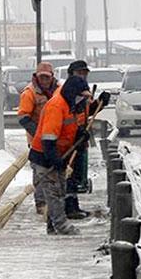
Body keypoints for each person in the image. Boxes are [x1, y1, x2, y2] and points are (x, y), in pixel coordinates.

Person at [29, 75, 93, 235]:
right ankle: (61, 225)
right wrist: (54, 159)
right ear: (73, 92)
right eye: (82, 96)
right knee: (54, 193)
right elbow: (48, 137)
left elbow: (67, 130)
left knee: (60, 191)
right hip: (45, 156)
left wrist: (80, 135)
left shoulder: (70, 105)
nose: (83, 100)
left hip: (59, 155)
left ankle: (52, 225)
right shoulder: (57, 106)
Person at [64, 60, 110, 219]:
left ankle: (73, 207)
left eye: (85, 73)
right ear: (71, 75)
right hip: (67, 141)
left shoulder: (83, 92)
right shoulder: (66, 93)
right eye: (79, 73)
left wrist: (100, 103)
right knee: (67, 176)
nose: (82, 76)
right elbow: (67, 116)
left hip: (78, 140)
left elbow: (87, 112)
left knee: (74, 176)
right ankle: (66, 209)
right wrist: (75, 134)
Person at [17, 62, 58, 215]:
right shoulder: (29, 92)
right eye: (42, 77)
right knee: (40, 171)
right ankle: (41, 204)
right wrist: (38, 133)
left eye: (47, 77)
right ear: (36, 76)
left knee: (55, 170)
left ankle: (55, 202)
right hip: (36, 140)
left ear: (52, 77)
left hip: (55, 139)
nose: (44, 80)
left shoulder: (58, 91)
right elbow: (23, 117)